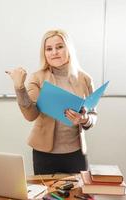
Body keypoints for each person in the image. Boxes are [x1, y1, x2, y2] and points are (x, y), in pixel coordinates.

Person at [6, 29, 97, 175]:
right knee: (47, 196)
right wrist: (19, 88)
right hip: (44, 154)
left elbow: (93, 115)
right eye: (49, 49)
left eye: (59, 47)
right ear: (44, 53)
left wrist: (84, 119)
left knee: (78, 195)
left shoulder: (85, 79)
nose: (54, 52)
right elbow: (31, 115)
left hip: (76, 153)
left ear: (68, 49)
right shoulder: (37, 78)